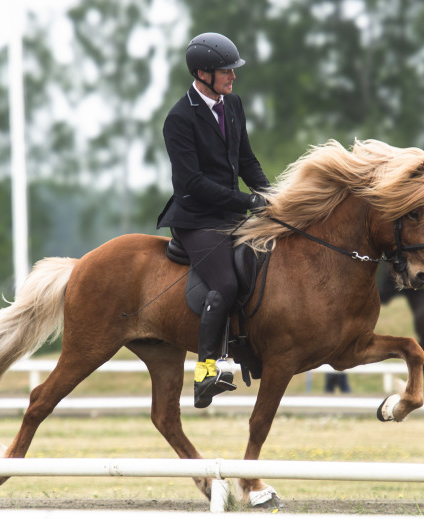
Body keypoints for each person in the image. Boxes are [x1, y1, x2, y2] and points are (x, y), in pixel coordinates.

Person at [156, 32, 271, 408]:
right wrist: (246, 200)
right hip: (197, 217)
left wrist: (272, 197)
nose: (233, 77)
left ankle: (248, 347)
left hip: (231, 211)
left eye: (233, 71)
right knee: (224, 281)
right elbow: (193, 183)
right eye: (226, 71)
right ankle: (206, 371)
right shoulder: (178, 118)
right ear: (202, 73)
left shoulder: (233, 105)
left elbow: (247, 162)